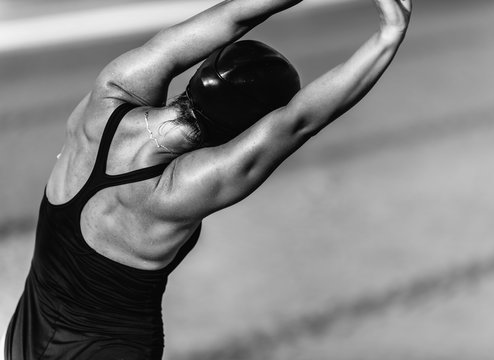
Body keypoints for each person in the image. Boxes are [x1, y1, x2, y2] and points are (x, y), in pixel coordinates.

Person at [3, 0, 411, 358]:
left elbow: (233, 15)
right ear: (242, 129)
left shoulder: (110, 95)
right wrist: (388, 36)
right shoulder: (172, 195)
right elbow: (296, 123)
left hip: (26, 333)